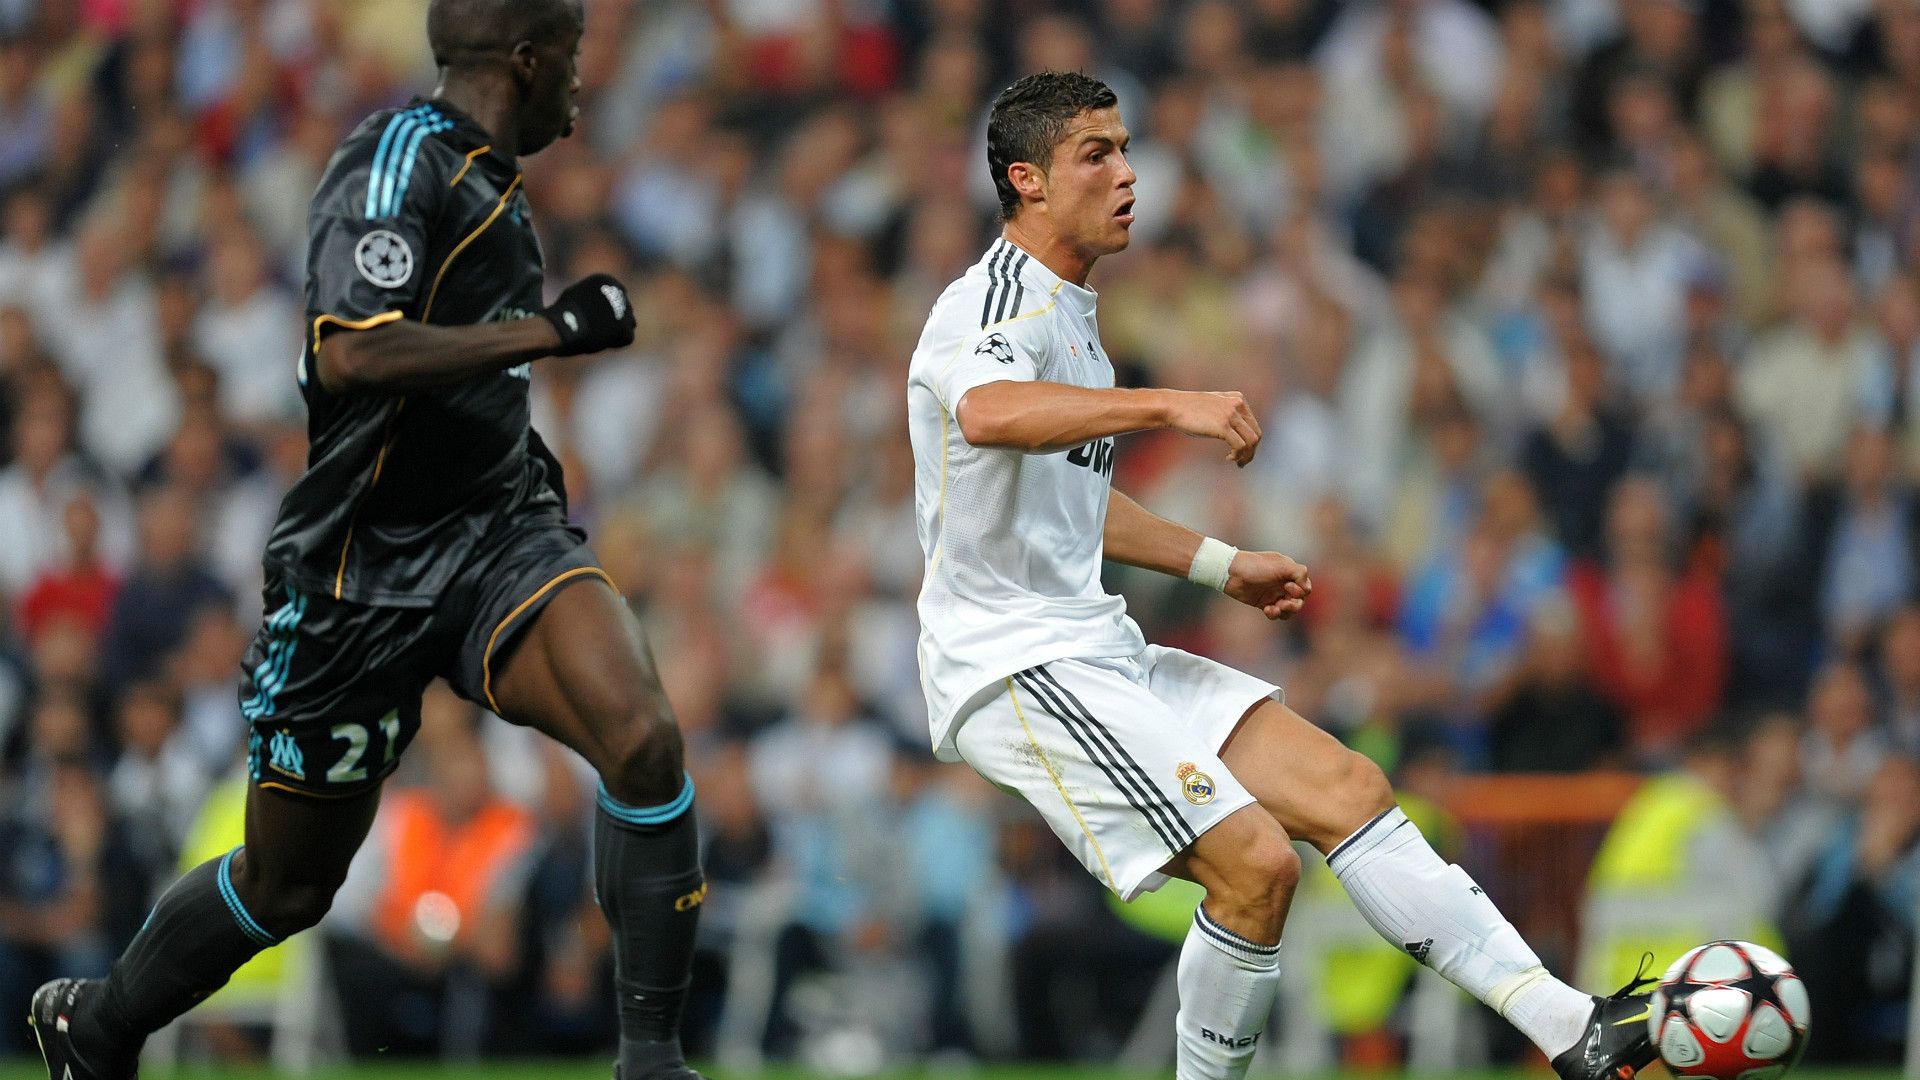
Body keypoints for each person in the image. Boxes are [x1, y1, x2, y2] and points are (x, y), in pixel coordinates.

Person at [905, 71, 1658, 1080]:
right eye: (1098, 154)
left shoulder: (1075, 319)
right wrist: (1169, 407)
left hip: (1095, 645)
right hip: (1017, 666)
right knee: (1255, 866)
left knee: (1346, 787)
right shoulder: (992, 302)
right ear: (1027, 181)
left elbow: (1072, 508)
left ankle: (1572, 1031)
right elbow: (989, 414)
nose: (1130, 173)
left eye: (1127, 148)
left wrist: (1221, 566)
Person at [28, 3, 707, 1078]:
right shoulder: (399, 159)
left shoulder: (493, 180)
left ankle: (653, 1063)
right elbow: (353, 352)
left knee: (645, 739)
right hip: (361, 575)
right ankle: (98, 1026)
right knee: (288, 885)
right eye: (571, 65)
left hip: (498, 540)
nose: (580, 92)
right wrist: (549, 331)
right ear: (525, 59)